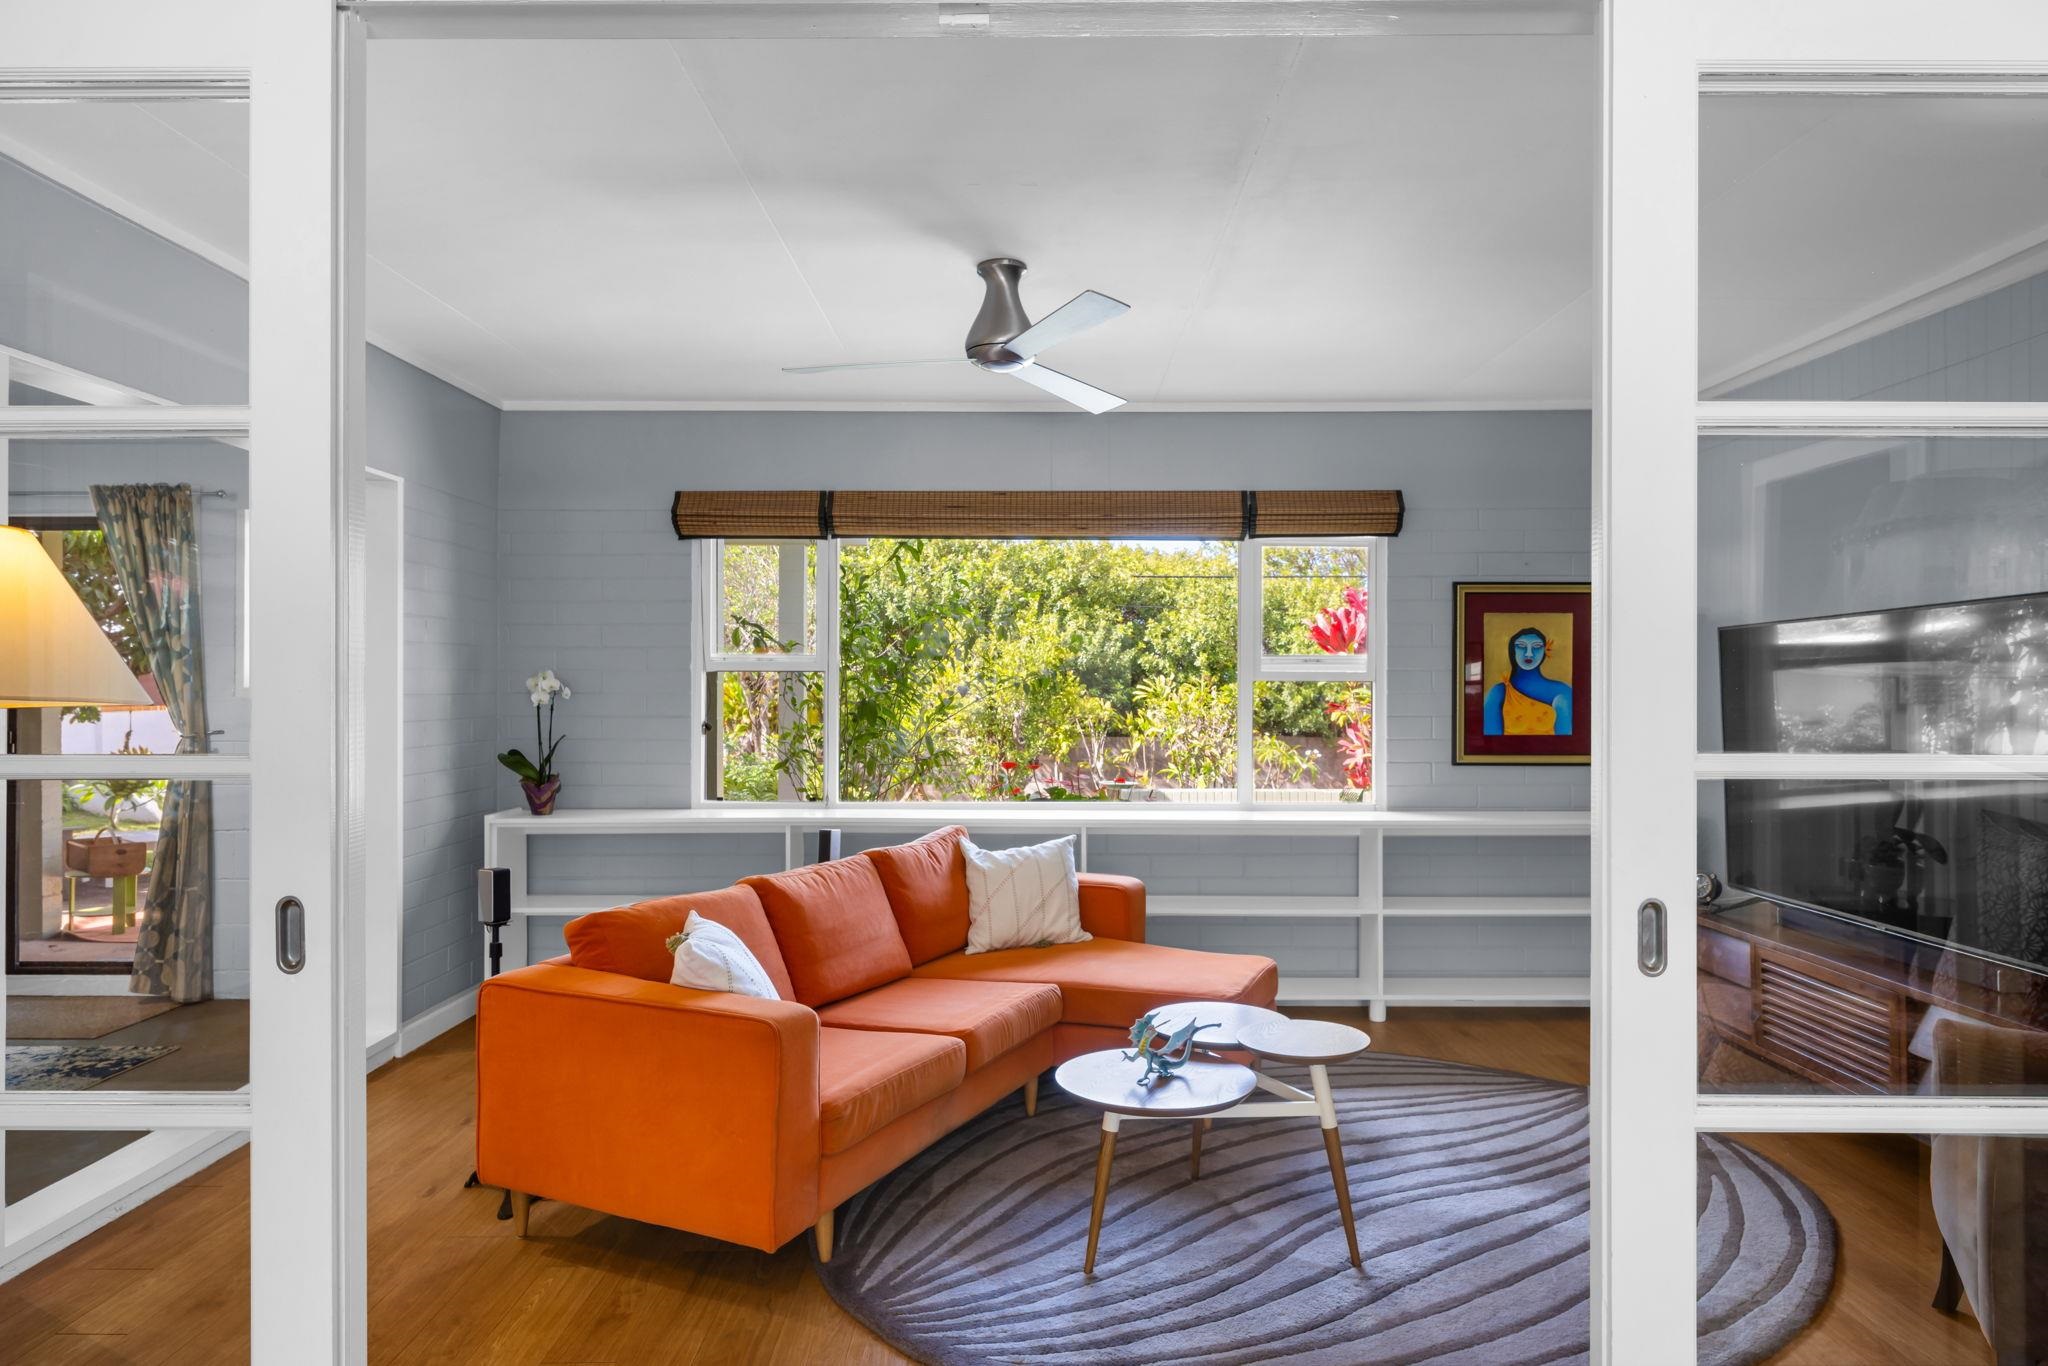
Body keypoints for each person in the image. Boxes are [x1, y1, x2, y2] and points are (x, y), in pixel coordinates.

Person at [1483, 626, 1572, 735]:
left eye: (1537, 647)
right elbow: (1490, 743)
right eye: (1521, 646)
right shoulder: (1498, 692)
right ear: (1513, 651)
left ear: (1545, 651)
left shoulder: (1563, 691)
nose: (1529, 653)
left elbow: (1567, 744)